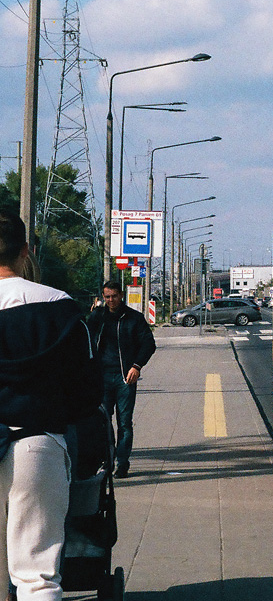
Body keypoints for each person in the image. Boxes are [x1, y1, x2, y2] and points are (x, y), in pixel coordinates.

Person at [0, 210, 102, 600]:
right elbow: (86, 394)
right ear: (26, 251)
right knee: (37, 575)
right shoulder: (60, 307)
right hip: (37, 445)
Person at [86, 280, 156, 479]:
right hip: (102, 377)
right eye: (107, 297)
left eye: (114, 296)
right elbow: (87, 341)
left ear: (121, 295)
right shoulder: (97, 317)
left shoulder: (133, 318)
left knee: (124, 422)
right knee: (103, 421)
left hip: (125, 377)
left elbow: (148, 344)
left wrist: (137, 366)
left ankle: (122, 463)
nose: (110, 300)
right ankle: (107, 462)